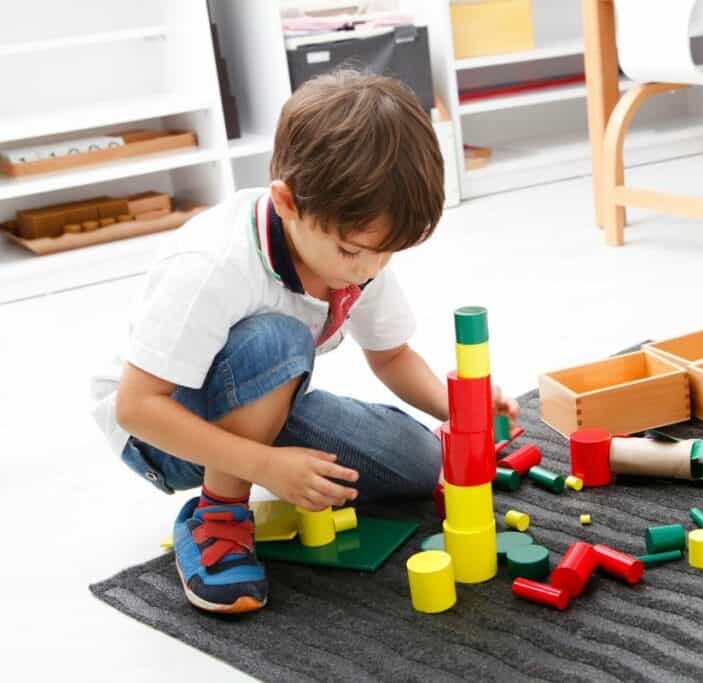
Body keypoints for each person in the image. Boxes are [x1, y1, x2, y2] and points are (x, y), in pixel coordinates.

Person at [89, 70, 518, 614]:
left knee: (418, 463)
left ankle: (254, 454)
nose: (368, 270)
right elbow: (136, 406)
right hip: (163, 429)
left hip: (261, 401)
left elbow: (391, 356)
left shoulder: (358, 251)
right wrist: (266, 468)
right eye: (353, 252)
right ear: (287, 203)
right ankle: (217, 515)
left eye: (386, 255)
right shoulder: (213, 263)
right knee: (278, 339)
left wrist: (460, 407)